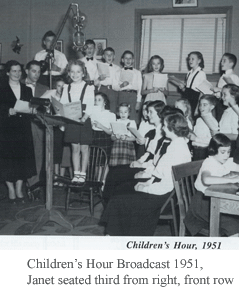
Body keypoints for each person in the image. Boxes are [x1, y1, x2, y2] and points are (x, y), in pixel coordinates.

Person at [100, 112, 191, 236]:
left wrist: (146, 188)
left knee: (119, 200)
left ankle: (115, 236)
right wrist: (146, 182)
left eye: (164, 126)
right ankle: (118, 234)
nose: (163, 128)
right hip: (162, 189)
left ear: (172, 129)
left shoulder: (177, 149)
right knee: (121, 192)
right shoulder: (177, 144)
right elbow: (161, 172)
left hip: (164, 197)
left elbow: (168, 184)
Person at [103, 100, 167, 203]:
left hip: (151, 170)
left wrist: (142, 165)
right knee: (114, 171)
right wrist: (140, 161)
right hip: (145, 164)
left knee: (116, 174)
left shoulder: (163, 132)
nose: (147, 114)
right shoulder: (154, 130)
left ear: (159, 114)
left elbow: (158, 157)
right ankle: (108, 203)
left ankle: (111, 204)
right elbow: (149, 153)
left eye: (150, 112)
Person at [184, 133, 239, 236]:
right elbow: (206, 180)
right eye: (223, 152)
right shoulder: (209, 162)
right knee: (234, 224)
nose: (226, 155)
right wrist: (232, 180)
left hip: (216, 201)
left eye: (228, 152)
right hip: (202, 204)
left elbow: (236, 166)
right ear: (213, 150)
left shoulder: (225, 161)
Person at [0, 60, 36, 203]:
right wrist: (6, 111)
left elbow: (30, 107)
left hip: (23, 128)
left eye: (19, 71)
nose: (17, 74)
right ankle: (10, 189)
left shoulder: (27, 89)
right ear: (8, 72)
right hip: (6, 129)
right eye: (14, 71)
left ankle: (19, 187)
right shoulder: (1, 88)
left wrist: (33, 110)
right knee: (8, 160)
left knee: (23, 158)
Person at [60, 60, 94, 183]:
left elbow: (90, 105)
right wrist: (65, 119)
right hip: (71, 119)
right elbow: (63, 104)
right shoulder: (66, 87)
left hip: (84, 118)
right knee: (74, 148)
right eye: (72, 72)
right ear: (68, 73)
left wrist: (84, 118)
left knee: (84, 148)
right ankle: (76, 173)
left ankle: (83, 173)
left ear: (83, 73)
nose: (75, 74)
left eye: (78, 71)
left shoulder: (89, 87)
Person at [23, 60, 49, 199]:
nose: (37, 74)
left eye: (39, 72)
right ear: (26, 71)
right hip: (21, 124)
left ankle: (34, 184)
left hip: (37, 123)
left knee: (38, 153)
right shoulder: (18, 84)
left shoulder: (44, 88)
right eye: (34, 71)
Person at [189, 95, 219, 161]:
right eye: (200, 104)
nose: (201, 107)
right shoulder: (199, 119)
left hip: (204, 151)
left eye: (205, 105)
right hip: (195, 149)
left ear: (212, 107)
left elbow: (211, 141)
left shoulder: (213, 122)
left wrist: (196, 139)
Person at [179, 51, 206, 117]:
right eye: (189, 59)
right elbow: (187, 90)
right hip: (187, 99)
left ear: (199, 61)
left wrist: (197, 108)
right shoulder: (189, 73)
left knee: (192, 118)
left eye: (193, 59)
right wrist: (182, 88)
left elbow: (202, 92)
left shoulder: (201, 73)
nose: (190, 61)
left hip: (195, 100)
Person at [118, 50, 142, 124]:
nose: (128, 60)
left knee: (133, 117)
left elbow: (139, 88)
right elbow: (115, 86)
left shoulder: (137, 73)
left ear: (133, 60)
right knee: (122, 116)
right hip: (122, 95)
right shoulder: (118, 72)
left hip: (133, 96)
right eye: (126, 58)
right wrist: (122, 85)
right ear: (122, 60)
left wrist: (138, 101)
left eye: (130, 58)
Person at [109, 102, 137, 167]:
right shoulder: (116, 122)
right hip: (117, 146)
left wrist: (126, 138)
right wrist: (116, 137)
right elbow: (112, 137)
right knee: (116, 166)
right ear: (118, 113)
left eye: (125, 112)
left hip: (127, 146)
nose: (123, 114)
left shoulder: (132, 122)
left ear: (129, 113)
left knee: (126, 166)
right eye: (121, 112)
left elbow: (134, 138)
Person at [91, 92, 116, 160]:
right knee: (94, 160)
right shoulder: (91, 113)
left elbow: (111, 132)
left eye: (99, 100)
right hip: (93, 136)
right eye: (95, 100)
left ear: (104, 102)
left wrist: (101, 126)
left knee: (104, 161)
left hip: (104, 137)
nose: (96, 102)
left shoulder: (111, 115)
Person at [96, 47, 121, 114]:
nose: (109, 56)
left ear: (114, 56)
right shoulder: (99, 66)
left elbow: (118, 82)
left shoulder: (118, 68)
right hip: (102, 89)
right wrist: (99, 78)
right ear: (103, 56)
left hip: (113, 91)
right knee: (101, 110)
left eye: (111, 54)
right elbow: (96, 81)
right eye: (107, 54)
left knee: (112, 111)